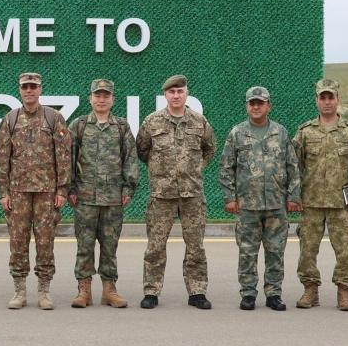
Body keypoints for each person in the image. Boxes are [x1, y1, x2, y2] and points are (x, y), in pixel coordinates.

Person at [136, 75, 218, 310]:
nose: (176, 96)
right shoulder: (152, 122)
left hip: (192, 194)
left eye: (180, 91)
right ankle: (151, 291)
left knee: (196, 246)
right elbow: (143, 150)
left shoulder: (199, 121)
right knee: (155, 246)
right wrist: (161, 171)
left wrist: (193, 170)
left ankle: (197, 291)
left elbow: (209, 149)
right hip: (162, 195)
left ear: (186, 93)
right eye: (171, 92)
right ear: (165, 95)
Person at [291, 79, 348, 311]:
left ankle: (344, 292)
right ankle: (310, 290)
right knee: (307, 249)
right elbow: (294, 166)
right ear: (317, 101)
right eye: (322, 98)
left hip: (341, 202)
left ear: (338, 100)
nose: (327, 102)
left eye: (331, 97)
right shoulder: (305, 131)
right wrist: (294, 195)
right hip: (311, 201)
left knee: (345, 250)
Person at [0, 72, 71, 310]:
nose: (29, 91)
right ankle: (19, 290)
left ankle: (44, 290)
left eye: (33, 87)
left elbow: (64, 156)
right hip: (17, 192)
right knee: (18, 241)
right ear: (20, 90)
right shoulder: (11, 119)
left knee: (45, 241)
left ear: (40, 89)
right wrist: (4, 192)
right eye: (25, 87)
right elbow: (2, 158)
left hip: (46, 192)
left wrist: (62, 189)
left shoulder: (53, 118)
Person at [220, 86, 299, 311]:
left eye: (260, 103)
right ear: (247, 106)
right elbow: (226, 167)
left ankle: (274, 294)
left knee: (275, 251)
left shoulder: (280, 132)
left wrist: (293, 196)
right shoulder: (237, 133)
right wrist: (229, 197)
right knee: (247, 252)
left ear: (268, 106)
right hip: (247, 205)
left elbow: (292, 166)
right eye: (252, 103)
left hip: (276, 204)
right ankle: (248, 294)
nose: (256, 107)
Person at [68, 78, 137, 308]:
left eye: (106, 96)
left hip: (113, 197)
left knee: (110, 246)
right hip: (85, 197)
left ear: (112, 100)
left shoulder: (122, 127)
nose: (101, 99)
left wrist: (129, 187)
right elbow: (69, 158)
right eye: (97, 95)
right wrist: (70, 188)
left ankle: (109, 289)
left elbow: (130, 159)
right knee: (84, 245)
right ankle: (83, 290)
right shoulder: (78, 125)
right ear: (91, 98)